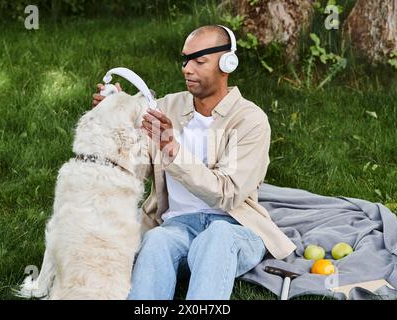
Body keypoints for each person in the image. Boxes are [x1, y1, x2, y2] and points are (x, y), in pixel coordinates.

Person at [92, 25, 296, 300]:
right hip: (178, 226)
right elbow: (133, 167)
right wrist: (112, 114)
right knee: (155, 240)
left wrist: (172, 151)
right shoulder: (167, 107)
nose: (187, 69)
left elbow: (227, 194)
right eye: (185, 59)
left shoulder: (250, 120)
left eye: (199, 61)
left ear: (227, 64)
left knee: (218, 236)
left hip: (235, 227)